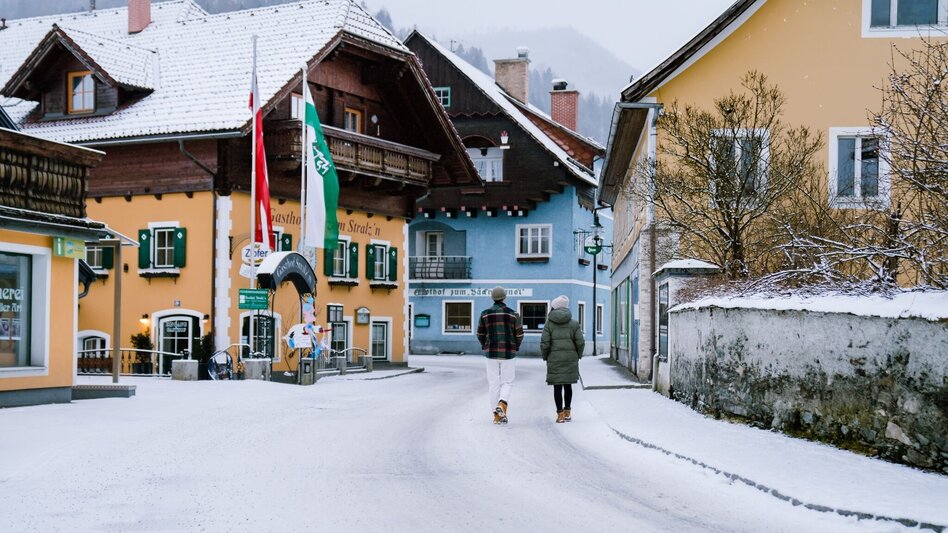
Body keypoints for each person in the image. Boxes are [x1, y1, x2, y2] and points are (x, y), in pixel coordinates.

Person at [476, 286, 524, 424]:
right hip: (509, 352)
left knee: (493, 383)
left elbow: (480, 333)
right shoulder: (513, 314)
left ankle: (496, 416)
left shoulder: (485, 314)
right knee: (507, 382)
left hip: (490, 352)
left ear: (492, 298)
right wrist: (516, 346)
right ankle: (501, 404)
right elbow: (519, 334)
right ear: (504, 297)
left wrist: (485, 345)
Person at [540, 295, 584, 423]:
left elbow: (545, 343)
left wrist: (545, 355)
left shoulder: (549, 324)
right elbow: (580, 342)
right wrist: (578, 355)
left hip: (554, 358)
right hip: (570, 358)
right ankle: (568, 412)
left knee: (557, 387)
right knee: (568, 385)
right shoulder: (574, 324)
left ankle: (560, 415)